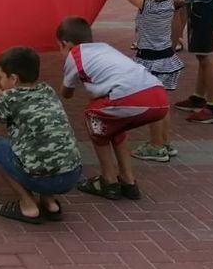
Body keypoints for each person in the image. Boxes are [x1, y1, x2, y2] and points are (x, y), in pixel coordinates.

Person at [0, 46, 82, 224]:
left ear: (13, 78)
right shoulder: (46, 90)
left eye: (1, 77)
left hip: (41, 178)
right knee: (44, 144)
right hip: (72, 175)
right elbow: (15, 103)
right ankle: (50, 203)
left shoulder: (10, 100)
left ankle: (28, 205)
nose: (0, 80)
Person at [57, 17, 168, 201]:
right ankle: (128, 180)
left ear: (65, 43)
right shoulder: (104, 48)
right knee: (114, 124)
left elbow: (67, 93)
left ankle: (108, 181)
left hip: (132, 97)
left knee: (93, 116)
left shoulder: (74, 55)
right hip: (158, 96)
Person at [114, 0, 185, 163]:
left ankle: (155, 146)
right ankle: (165, 142)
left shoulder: (147, 4)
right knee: (163, 105)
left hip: (151, 61)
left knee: (154, 107)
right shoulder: (170, 0)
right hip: (166, 58)